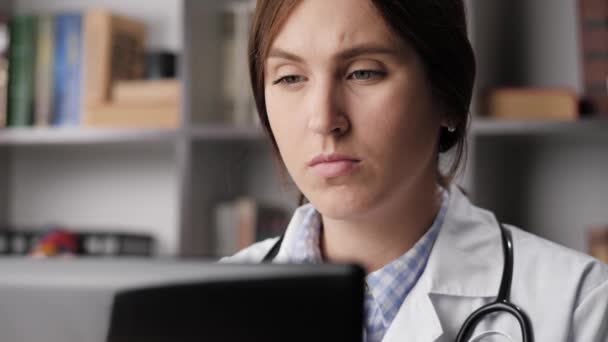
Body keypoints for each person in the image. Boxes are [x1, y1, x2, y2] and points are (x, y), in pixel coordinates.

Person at [222, 0, 608, 341]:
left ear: (448, 97)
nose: (324, 120)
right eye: (290, 77)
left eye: (363, 72)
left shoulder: (579, 304)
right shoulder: (212, 298)